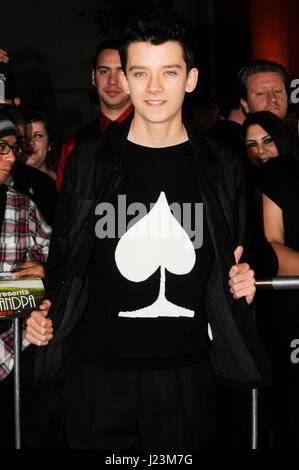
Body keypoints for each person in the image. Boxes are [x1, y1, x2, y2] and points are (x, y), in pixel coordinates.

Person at [25, 15, 271, 450]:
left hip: (187, 377)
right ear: (127, 78)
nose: (154, 88)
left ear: (190, 80)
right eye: (140, 73)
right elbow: (65, 255)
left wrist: (245, 278)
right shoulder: (90, 162)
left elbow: (241, 254)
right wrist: (45, 314)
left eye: (169, 73)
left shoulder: (221, 165)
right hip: (97, 376)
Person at [0, 111, 52, 448]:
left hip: (16, 347)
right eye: (2, 147)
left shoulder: (24, 207)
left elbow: (61, 267)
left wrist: (47, 274)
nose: (11, 157)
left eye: (14, 148)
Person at [254, 117, 299, 448]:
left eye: (267, 140)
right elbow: (272, 247)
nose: (261, 151)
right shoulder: (280, 172)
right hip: (291, 311)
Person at [56, 38, 134, 191]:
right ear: (93, 77)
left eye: (121, 72)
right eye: (104, 71)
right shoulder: (74, 145)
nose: (112, 81)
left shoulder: (157, 136)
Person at [0, 104, 58, 226]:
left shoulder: (43, 186)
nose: (28, 143)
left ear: (50, 144)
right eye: (3, 146)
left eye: (17, 142)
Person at [24, 109, 60, 181]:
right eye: (24, 136)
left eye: (37, 136)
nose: (30, 142)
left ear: (49, 144)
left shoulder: (67, 177)